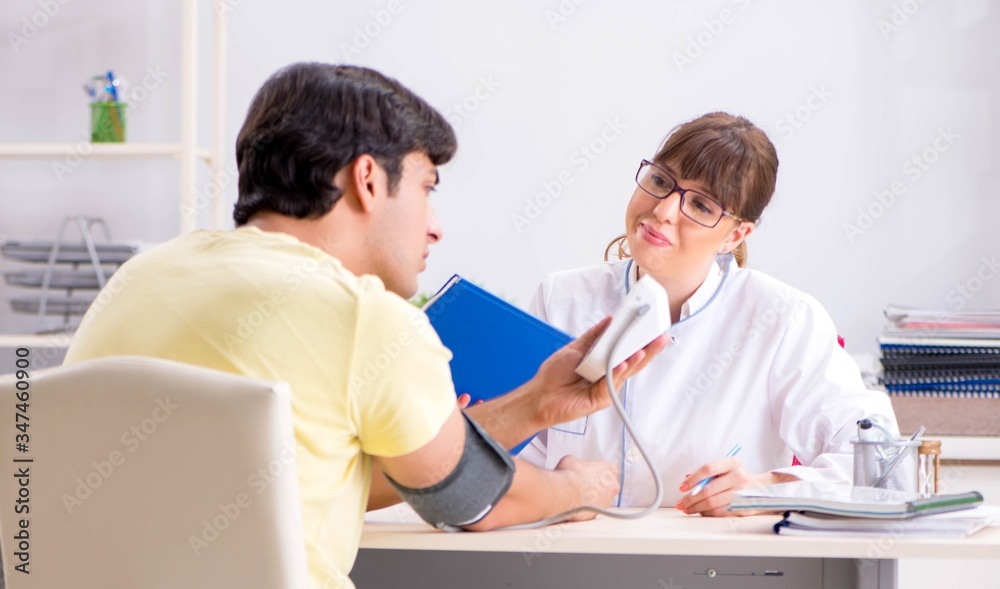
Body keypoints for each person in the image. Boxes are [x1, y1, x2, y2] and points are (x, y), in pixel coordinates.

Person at [63, 63, 666, 589]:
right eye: (427, 188)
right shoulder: (363, 317)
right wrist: (577, 488)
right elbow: (472, 502)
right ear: (368, 179)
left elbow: (322, 473)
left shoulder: (139, 278)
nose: (435, 227)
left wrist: (533, 404)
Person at [518, 112, 898, 517]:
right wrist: (558, 488)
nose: (663, 211)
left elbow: (881, 464)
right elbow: (495, 448)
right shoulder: (560, 298)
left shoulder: (782, 319)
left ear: (735, 235)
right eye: (661, 181)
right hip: (569, 554)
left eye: (700, 205)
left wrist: (764, 487)